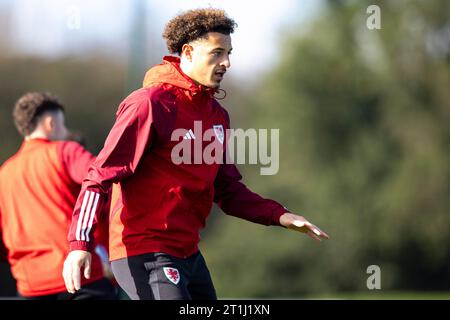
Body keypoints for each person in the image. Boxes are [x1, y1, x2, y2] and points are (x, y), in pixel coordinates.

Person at [63, 8, 329, 300]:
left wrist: (280, 215)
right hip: (145, 250)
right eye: (217, 53)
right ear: (187, 52)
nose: (226, 62)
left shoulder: (216, 115)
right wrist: (80, 244)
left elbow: (227, 190)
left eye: (229, 53)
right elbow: (99, 176)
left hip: (188, 253)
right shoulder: (150, 104)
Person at [0, 92, 117, 300]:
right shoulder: (65, 152)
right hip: (80, 278)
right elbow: (103, 182)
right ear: (50, 123)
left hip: (29, 285)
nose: (66, 132)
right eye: (64, 125)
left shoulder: (5, 172)